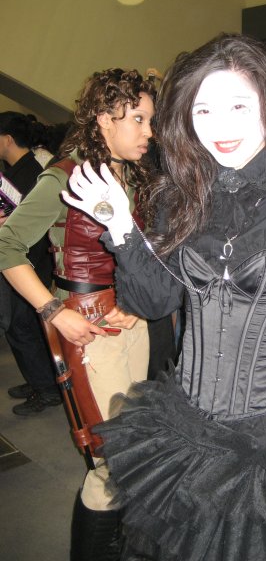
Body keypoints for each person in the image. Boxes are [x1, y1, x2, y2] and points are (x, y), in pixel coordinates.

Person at [62, 34, 266, 561]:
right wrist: (122, 225)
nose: (220, 126)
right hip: (184, 424)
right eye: (204, 109)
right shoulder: (182, 193)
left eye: (239, 106)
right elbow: (154, 302)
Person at [0, 69, 155, 560]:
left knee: (136, 443)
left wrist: (139, 300)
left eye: (149, 120)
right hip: (86, 323)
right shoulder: (64, 177)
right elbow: (6, 245)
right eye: (138, 119)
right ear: (105, 119)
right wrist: (52, 309)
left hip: (132, 318)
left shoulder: (135, 175)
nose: (149, 131)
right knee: (109, 457)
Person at [0, 111, 58, 415]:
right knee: (24, 329)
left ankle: (47, 389)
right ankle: (40, 381)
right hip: (23, 260)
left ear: (7, 139)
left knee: (22, 328)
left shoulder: (34, 172)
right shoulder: (17, 170)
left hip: (29, 262)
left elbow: (35, 225)